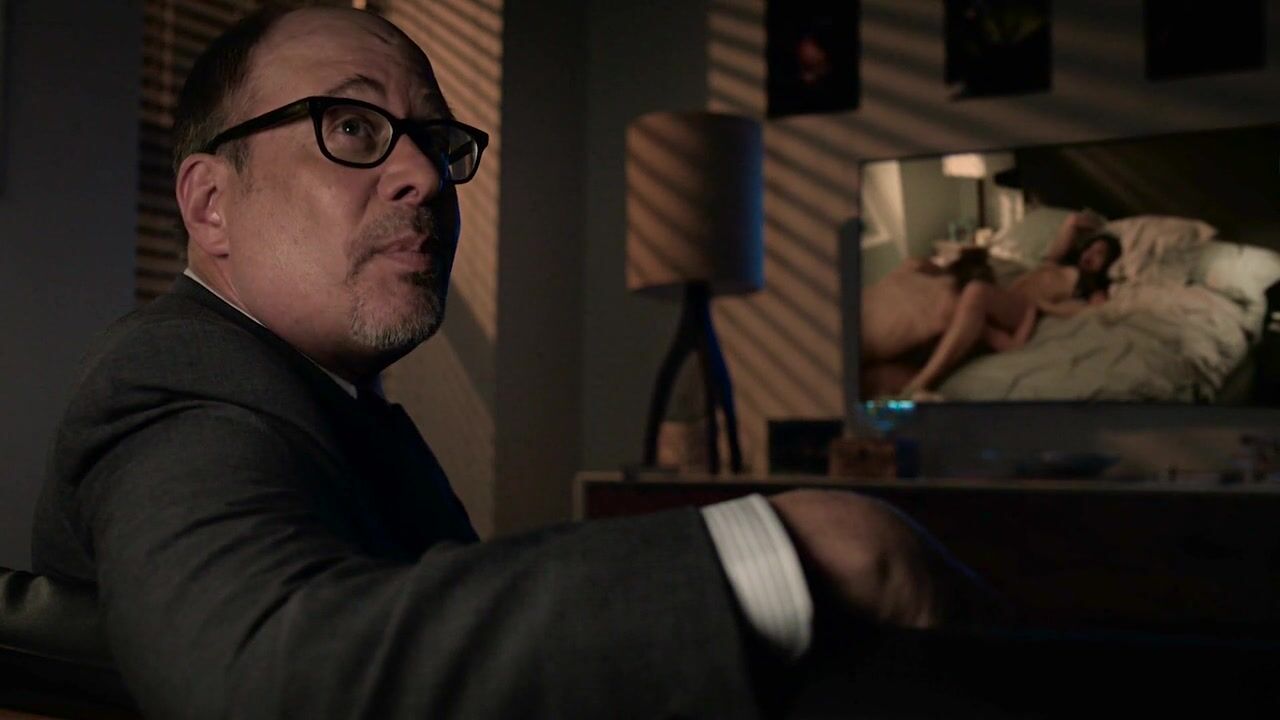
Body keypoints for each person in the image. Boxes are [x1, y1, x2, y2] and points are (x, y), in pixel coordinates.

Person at [32, 6, 993, 719]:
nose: (423, 175)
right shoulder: (179, 379)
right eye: (353, 127)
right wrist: (779, 552)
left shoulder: (335, 404)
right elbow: (256, 676)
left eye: (435, 141)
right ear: (209, 205)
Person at [862, 212, 1122, 398]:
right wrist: (1095, 225)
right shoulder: (1057, 261)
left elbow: (1093, 310)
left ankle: (923, 382)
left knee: (976, 291)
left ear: (1107, 264)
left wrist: (1044, 306)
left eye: (1100, 254)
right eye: (1091, 249)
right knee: (879, 376)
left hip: (1021, 307)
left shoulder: (1091, 288)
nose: (1091, 254)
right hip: (1003, 298)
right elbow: (1071, 223)